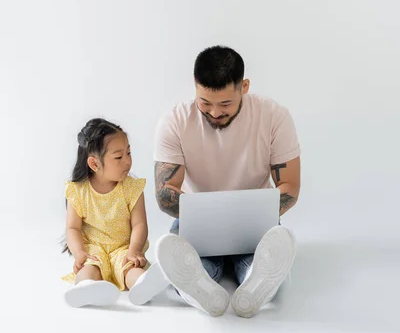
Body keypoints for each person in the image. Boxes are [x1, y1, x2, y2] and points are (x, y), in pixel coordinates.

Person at [152, 46, 301, 318]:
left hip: (255, 223)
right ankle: (201, 286)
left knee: (260, 262)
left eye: (225, 104)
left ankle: (256, 282)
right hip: (196, 222)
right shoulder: (174, 121)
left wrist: (247, 217)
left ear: (244, 87)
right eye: (205, 102)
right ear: (195, 87)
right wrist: (209, 220)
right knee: (187, 262)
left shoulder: (274, 116)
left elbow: (289, 186)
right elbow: (165, 193)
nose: (214, 112)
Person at [62, 118, 165, 308]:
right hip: (94, 249)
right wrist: (79, 253)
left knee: (131, 269)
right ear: (94, 164)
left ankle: (144, 286)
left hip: (123, 248)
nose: (127, 161)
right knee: (89, 268)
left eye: (129, 153)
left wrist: (134, 250)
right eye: (118, 157)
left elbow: (139, 224)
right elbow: (72, 228)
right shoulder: (78, 191)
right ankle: (87, 288)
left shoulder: (131, 188)